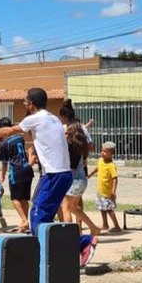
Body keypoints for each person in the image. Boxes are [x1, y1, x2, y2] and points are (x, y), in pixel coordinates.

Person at [0, 88, 96, 265]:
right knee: (40, 212)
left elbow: (11, 130)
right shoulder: (53, 118)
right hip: (60, 174)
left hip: (55, 175)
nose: (24, 105)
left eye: (25, 102)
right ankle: (51, 252)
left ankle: (81, 244)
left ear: (31, 104)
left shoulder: (34, 118)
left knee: (38, 216)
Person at [58, 99, 101, 237]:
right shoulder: (81, 130)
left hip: (72, 178)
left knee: (65, 208)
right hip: (82, 177)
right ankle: (94, 228)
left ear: (63, 117)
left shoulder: (65, 131)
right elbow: (91, 145)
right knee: (74, 208)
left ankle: (69, 238)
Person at [0, 117, 34, 233]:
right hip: (27, 169)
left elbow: (4, 163)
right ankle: (25, 222)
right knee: (24, 197)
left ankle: (24, 220)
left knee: (15, 198)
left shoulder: (4, 144)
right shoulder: (20, 137)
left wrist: (2, 176)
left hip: (16, 171)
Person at [88, 142, 121, 233]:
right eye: (102, 151)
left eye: (105, 152)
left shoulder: (111, 166)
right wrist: (90, 174)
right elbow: (97, 168)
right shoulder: (100, 160)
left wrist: (113, 191)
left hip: (108, 192)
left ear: (111, 154)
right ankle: (105, 224)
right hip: (100, 190)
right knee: (102, 208)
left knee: (109, 210)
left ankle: (117, 226)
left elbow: (115, 178)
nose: (102, 153)